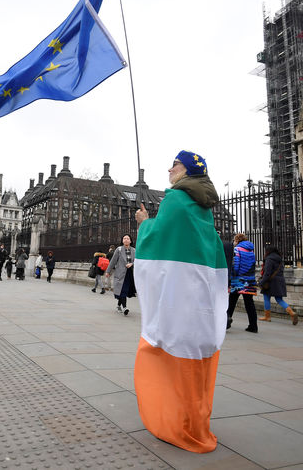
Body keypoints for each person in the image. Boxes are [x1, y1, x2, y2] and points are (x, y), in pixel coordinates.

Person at [132, 150, 228, 453]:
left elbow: (157, 239)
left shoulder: (175, 199)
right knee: (195, 357)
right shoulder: (205, 206)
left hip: (178, 299)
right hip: (200, 300)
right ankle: (196, 422)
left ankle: (177, 424)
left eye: (174, 164)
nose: (169, 168)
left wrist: (144, 222)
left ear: (185, 169)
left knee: (165, 350)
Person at [258, 245, 298, 325]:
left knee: (266, 297)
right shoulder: (279, 259)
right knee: (279, 299)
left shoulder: (269, 259)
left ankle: (267, 317)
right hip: (280, 280)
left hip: (270, 282)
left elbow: (267, 273)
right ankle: (291, 312)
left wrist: (261, 282)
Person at [227, 233, 259, 333]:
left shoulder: (237, 250)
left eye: (234, 240)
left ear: (237, 240)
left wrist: (231, 277)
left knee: (231, 302)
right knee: (249, 304)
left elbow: (235, 266)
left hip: (238, 281)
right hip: (249, 280)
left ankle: (226, 322)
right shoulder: (251, 251)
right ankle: (253, 326)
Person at [105, 235, 136, 315]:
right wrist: (108, 271)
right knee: (122, 290)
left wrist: (132, 264)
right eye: (124, 238)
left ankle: (119, 305)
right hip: (120, 274)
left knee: (124, 291)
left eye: (127, 238)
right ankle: (125, 307)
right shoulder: (118, 249)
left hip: (130, 274)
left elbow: (137, 261)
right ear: (122, 241)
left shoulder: (134, 250)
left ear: (130, 241)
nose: (126, 240)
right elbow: (113, 261)